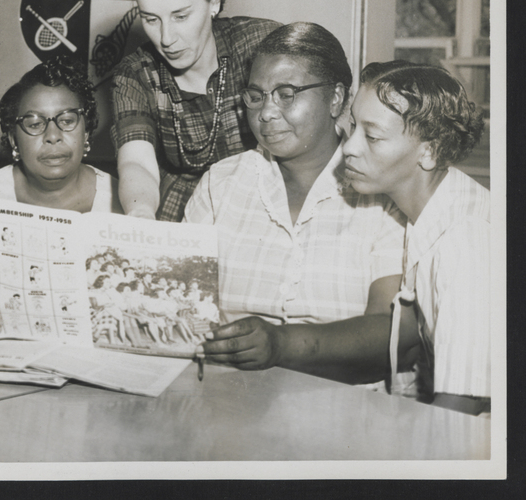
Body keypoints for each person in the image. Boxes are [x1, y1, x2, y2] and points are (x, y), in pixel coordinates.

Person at [186, 22, 411, 385]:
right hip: (224, 398)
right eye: (255, 96)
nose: (267, 113)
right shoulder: (221, 183)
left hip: (346, 407)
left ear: (336, 98)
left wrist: (281, 344)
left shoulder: (383, 192)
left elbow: (392, 331)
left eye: (286, 93)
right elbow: (180, 307)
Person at [0, 55, 123, 348]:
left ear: (87, 130)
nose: (53, 136)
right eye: (34, 123)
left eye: (67, 120)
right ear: (14, 139)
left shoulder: (123, 202)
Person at [343, 61, 490, 414]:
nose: (349, 148)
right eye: (352, 128)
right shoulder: (426, 213)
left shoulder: (463, 238)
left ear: (429, 151)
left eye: (372, 136)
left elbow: (459, 406)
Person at [112, 0, 281, 222]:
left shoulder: (264, 46)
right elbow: (136, 162)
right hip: (178, 212)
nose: (166, 39)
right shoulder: (134, 73)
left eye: (180, 16)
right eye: (151, 19)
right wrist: (140, 213)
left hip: (264, 203)